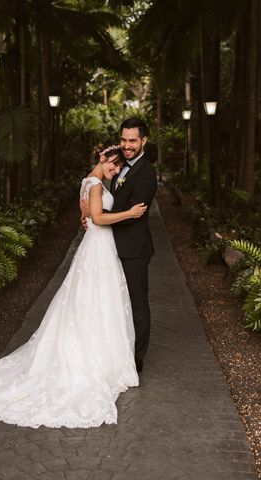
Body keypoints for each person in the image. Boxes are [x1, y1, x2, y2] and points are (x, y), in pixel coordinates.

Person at [0, 149, 147, 429]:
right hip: (98, 248)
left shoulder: (90, 183)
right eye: (113, 165)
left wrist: (92, 216)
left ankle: (105, 355)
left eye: (118, 168)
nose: (115, 171)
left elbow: (91, 216)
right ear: (102, 160)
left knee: (96, 301)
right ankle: (94, 358)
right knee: (95, 299)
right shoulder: (93, 185)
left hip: (100, 247)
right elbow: (99, 218)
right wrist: (129, 212)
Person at [82, 117, 158, 373]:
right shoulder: (119, 166)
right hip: (111, 248)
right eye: (124, 139)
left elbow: (132, 212)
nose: (127, 145)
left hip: (134, 249)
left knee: (137, 303)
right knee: (115, 302)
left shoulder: (146, 172)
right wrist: (92, 216)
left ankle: (136, 359)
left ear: (143, 141)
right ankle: (117, 352)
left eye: (132, 140)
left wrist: (96, 215)